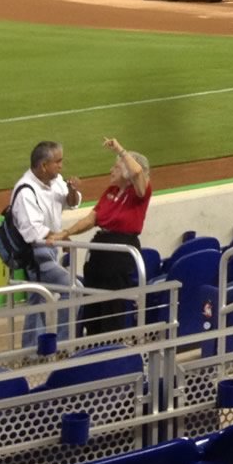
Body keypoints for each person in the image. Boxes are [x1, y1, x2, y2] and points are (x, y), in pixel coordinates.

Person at [52, 138, 151, 336]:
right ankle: (92, 343)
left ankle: (109, 348)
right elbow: (91, 219)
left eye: (115, 167)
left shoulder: (139, 193)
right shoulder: (110, 191)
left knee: (111, 303)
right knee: (92, 301)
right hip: (100, 250)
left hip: (120, 251)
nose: (110, 171)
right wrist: (66, 233)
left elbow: (138, 172)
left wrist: (120, 150)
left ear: (127, 172)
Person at [8, 141, 82, 347]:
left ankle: (33, 349)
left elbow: (72, 203)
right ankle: (64, 346)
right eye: (57, 162)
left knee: (37, 298)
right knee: (73, 288)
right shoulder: (25, 191)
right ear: (43, 166)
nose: (61, 166)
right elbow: (33, 231)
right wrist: (63, 237)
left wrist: (72, 191)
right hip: (35, 254)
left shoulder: (56, 180)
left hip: (50, 249)